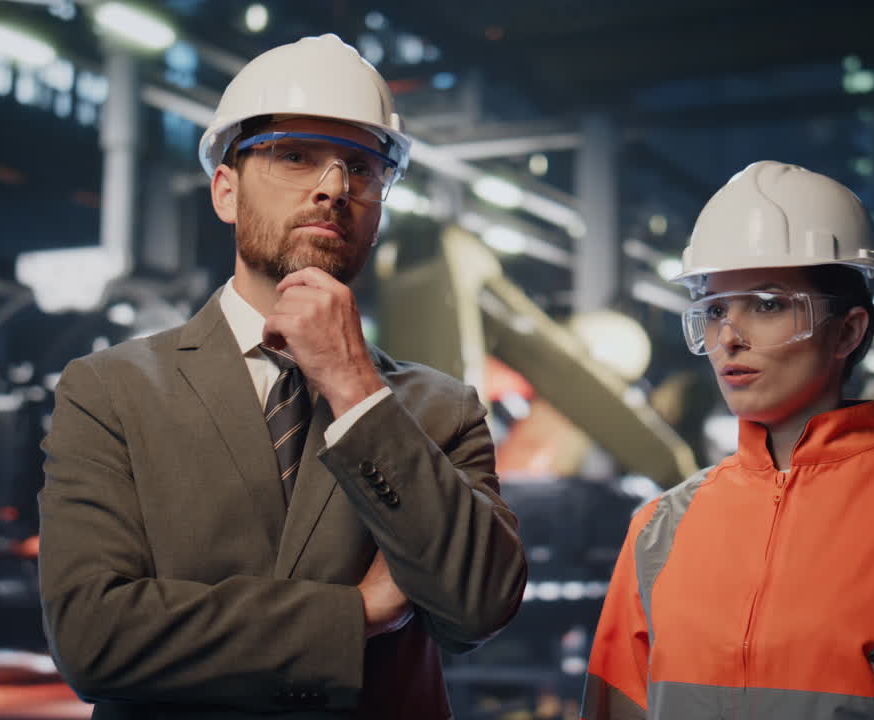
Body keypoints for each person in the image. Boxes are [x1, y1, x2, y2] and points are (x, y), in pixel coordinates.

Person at [38, 34, 527, 719]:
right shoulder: (111, 392)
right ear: (225, 191)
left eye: (362, 167)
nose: (334, 187)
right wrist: (355, 615)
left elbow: (479, 605)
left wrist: (356, 389)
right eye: (296, 156)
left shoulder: (440, 409)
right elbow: (94, 635)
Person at [582, 161, 874, 719]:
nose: (729, 337)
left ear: (848, 331)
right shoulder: (658, 531)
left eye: (767, 304)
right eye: (715, 308)